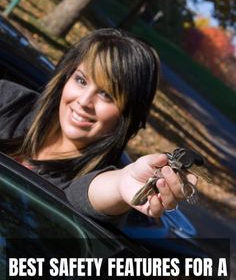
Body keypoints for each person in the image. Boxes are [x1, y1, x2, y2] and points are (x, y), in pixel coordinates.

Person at [0, 28, 196, 228]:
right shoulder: (8, 101)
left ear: (127, 116)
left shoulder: (95, 181)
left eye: (106, 95)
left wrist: (122, 183)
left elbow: (91, 194)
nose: (84, 101)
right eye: (81, 80)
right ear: (65, 78)